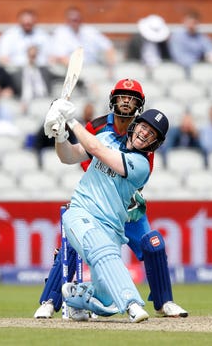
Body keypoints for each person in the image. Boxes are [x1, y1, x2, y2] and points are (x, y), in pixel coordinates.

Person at [34, 79, 188, 320]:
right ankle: (50, 300)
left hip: (128, 206)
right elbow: (80, 155)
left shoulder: (142, 149)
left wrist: (72, 121)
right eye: (122, 96)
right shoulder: (97, 127)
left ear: (139, 105)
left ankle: (164, 302)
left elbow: (105, 157)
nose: (126, 101)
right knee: (76, 245)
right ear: (113, 99)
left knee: (153, 243)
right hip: (97, 203)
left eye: (132, 97)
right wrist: (60, 132)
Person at [49, 6, 116, 69]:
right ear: (67, 20)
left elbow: (108, 47)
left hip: (93, 67)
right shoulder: (60, 33)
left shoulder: (90, 31)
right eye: (73, 20)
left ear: (81, 19)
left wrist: (110, 67)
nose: (75, 22)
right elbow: (61, 57)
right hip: (70, 70)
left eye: (77, 19)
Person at [168, 9, 212, 76]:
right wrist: (201, 61)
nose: (191, 26)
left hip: (199, 70)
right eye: (189, 22)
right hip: (181, 71)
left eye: (194, 23)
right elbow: (179, 58)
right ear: (184, 22)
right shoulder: (177, 36)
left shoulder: (201, 37)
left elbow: (211, 50)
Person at [12, 45, 61, 113]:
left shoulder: (45, 71)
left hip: (44, 101)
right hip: (26, 104)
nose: (32, 58)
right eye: (31, 55)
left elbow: (59, 76)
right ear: (27, 55)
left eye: (34, 56)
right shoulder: (17, 74)